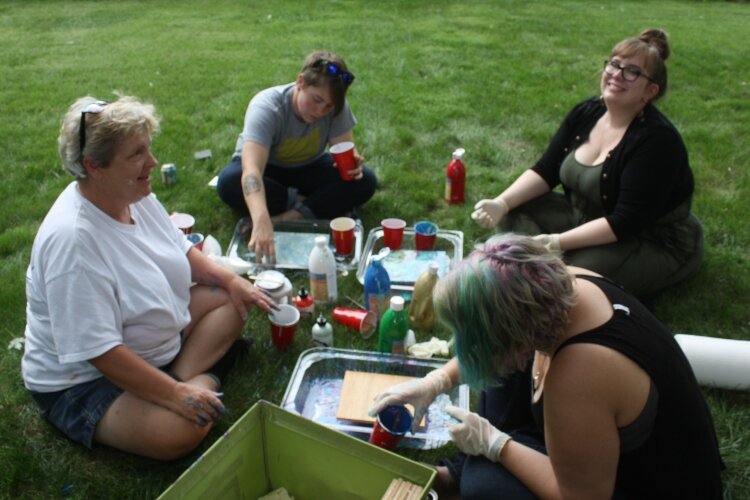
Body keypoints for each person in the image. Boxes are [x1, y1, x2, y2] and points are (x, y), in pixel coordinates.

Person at [370, 234, 723, 499]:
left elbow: (581, 497)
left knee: (484, 486)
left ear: (512, 333)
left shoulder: (580, 374)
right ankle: (453, 474)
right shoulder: (556, 288)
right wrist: (435, 381)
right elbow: (491, 344)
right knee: (502, 378)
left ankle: (465, 475)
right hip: (598, 442)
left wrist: (496, 445)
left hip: (648, 486)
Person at [21, 95, 277, 460]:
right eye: (137, 154)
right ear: (94, 166)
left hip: (150, 339)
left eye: (149, 149)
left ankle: (180, 377)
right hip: (85, 381)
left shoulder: (132, 192)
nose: (152, 162)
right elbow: (101, 353)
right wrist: (177, 398)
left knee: (230, 299)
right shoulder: (73, 243)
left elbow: (183, 251)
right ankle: (192, 382)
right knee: (183, 429)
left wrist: (232, 281)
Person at [471, 29, 703, 300]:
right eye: (614, 64)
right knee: (514, 211)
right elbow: (546, 170)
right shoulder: (587, 112)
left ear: (650, 91)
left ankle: (535, 266)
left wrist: (556, 242)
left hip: (649, 238)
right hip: (586, 215)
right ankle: (534, 263)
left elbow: (625, 221)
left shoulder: (656, 143)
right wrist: (501, 203)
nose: (616, 74)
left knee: (568, 286)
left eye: (632, 72)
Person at [216, 50, 377, 262]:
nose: (321, 111)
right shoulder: (267, 106)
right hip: (268, 171)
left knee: (365, 180)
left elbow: (345, 150)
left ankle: (289, 216)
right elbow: (252, 171)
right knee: (228, 183)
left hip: (309, 167)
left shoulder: (336, 108)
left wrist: (352, 164)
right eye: (316, 99)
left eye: (328, 106)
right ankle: (314, 204)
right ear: (300, 82)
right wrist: (261, 219)